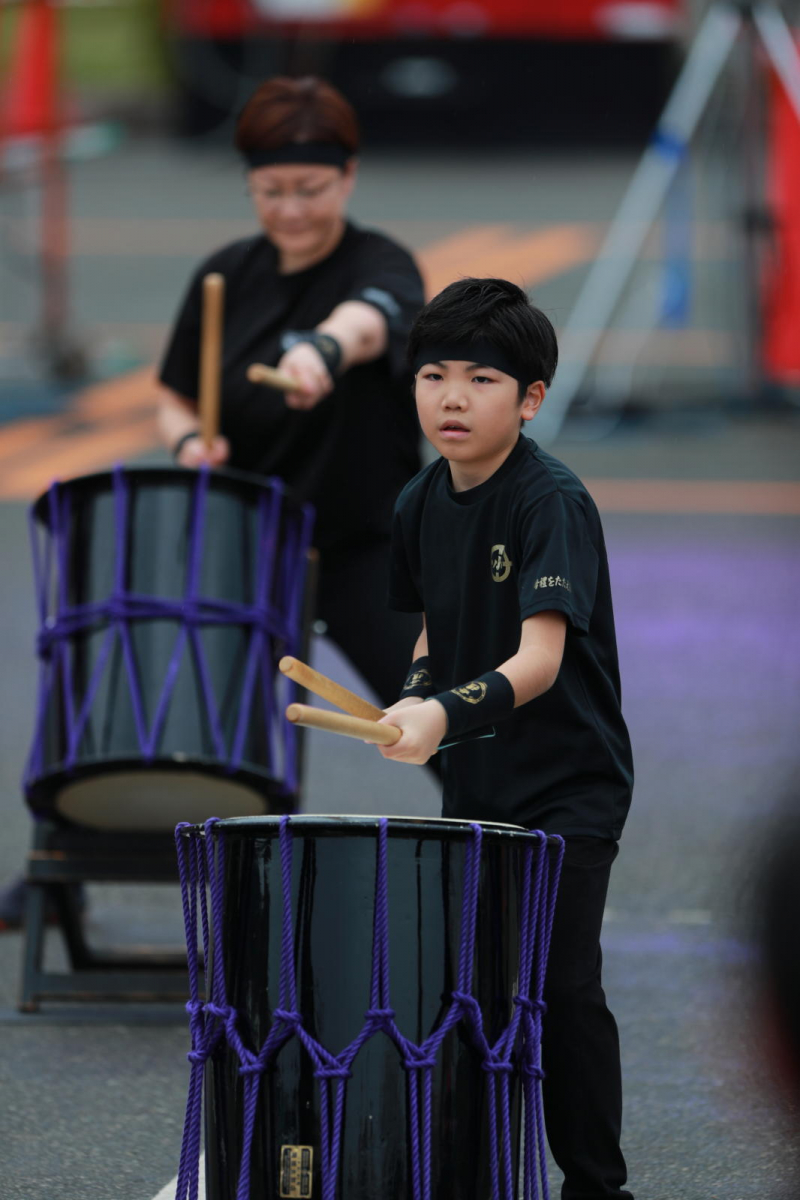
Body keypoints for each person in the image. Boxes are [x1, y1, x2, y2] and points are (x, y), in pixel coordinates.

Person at [376, 277, 635, 1199]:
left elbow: (540, 659)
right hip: (480, 781)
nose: (451, 397)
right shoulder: (417, 500)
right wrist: (412, 697)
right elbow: (432, 630)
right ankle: (470, 1171)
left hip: (571, 784)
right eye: (434, 374)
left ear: (530, 399)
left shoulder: (549, 500)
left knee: (562, 991)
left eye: (481, 379)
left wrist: (442, 713)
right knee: (470, 991)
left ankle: (597, 1187)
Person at [156, 74, 426, 710]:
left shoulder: (381, 263)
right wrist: (191, 442)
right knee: (230, 751)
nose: (292, 209)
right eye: (271, 191)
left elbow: (366, 321)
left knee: (447, 730)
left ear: (348, 176)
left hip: (369, 549)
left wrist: (321, 350)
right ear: (248, 181)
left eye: (311, 190)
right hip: (251, 549)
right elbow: (174, 398)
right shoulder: (225, 274)